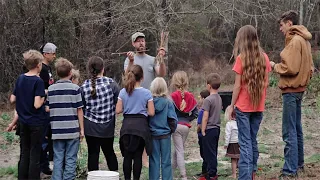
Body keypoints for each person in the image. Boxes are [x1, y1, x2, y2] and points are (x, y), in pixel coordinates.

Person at [270, 10, 314, 179]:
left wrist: (274, 66)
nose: (281, 29)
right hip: (299, 90)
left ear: (289, 23)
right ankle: (299, 165)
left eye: (282, 25)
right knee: (297, 130)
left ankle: (290, 171)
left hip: (291, 90)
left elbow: (290, 68)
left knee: (289, 132)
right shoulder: (304, 40)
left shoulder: (295, 41)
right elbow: (308, 67)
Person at [227, 25, 271, 180]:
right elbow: (266, 82)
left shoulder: (241, 58)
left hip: (243, 108)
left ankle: (245, 177)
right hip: (258, 107)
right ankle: (252, 174)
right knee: (252, 141)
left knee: (245, 144)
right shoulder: (264, 57)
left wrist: (232, 105)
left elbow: (238, 86)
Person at [124, 32, 166, 167]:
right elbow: (127, 76)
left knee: (149, 128)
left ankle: (148, 156)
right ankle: (142, 158)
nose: (141, 43)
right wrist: (131, 61)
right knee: (140, 130)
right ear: (133, 44)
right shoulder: (129, 59)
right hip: (135, 100)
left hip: (151, 99)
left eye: (143, 40)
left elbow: (161, 74)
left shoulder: (152, 59)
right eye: (138, 41)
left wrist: (161, 59)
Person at [46, 58, 84, 180]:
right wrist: (81, 129)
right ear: (70, 73)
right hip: (72, 131)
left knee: (57, 158)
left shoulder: (51, 89)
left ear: (57, 73)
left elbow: (47, 108)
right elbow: (79, 109)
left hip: (57, 131)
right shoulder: (75, 89)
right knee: (71, 159)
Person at [11, 50, 46, 179]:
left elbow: (12, 99)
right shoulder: (38, 82)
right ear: (38, 65)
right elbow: (37, 104)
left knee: (24, 153)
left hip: (23, 122)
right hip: (35, 123)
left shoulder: (20, 78)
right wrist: (44, 96)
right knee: (34, 155)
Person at [81, 56, 120, 172]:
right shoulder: (111, 84)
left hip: (90, 127)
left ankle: (93, 177)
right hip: (107, 127)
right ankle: (114, 175)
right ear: (103, 68)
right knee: (109, 152)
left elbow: (82, 107)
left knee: (93, 154)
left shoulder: (84, 86)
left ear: (89, 69)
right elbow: (118, 102)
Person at [116, 64, 155, 180]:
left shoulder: (123, 92)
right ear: (142, 78)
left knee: (127, 157)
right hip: (141, 127)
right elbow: (152, 112)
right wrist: (142, 111)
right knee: (138, 156)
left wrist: (127, 107)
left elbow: (118, 110)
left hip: (127, 126)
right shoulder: (147, 93)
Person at [170, 71, 198, 180]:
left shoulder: (172, 97)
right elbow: (196, 113)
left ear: (174, 82)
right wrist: (188, 120)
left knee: (179, 151)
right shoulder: (190, 96)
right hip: (186, 126)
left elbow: (169, 113)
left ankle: (183, 176)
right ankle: (171, 173)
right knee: (178, 150)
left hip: (176, 126)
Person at [148, 77, 178, 180]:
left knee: (154, 160)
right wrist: (171, 130)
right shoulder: (168, 102)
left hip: (153, 135)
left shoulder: (149, 102)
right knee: (166, 161)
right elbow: (173, 119)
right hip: (165, 135)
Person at [199, 73, 222, 180]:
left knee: (209, 153)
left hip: (209, 129)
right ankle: (212, 172)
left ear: (208, 86)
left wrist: (203, 130)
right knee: (214, 151)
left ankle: (211, 174)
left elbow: (205, 116)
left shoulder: (208, 100)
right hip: (217, 128)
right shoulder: (219, 98)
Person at [39, 42, 57, 175]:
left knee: (49, 136)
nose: (54, 56)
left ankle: (47, 164)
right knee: (44, 138)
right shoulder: (42, 69)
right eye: (53, 53)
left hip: (49, 106)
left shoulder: (48, 68)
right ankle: (42, 166)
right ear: (45, 54)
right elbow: (41, 89)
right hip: (43, 107)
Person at [196, 90, 210, 178]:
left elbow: (200, 124)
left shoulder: (202, 111)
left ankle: (205, 171)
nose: (199, 99)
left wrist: (197, 130)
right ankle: (205, 170)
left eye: (200, 97)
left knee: (204, 154)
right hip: (208, 134)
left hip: (202, 135)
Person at [224, 108, 239, 179]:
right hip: (240, 143)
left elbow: (228, 135)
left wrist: (226, 144)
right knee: (239, 158)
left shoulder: (229, 124)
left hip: (232, 143)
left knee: (233, 159)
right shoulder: (240, 123)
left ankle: (234, 174)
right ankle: (240, 172)